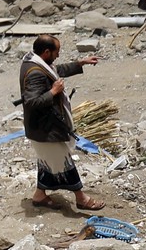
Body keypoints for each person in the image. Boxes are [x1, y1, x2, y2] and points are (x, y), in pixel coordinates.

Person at [21, 35, 105, 211]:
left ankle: (39, 195)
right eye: (56, 52)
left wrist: (80, 63)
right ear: (46, 52)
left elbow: (55, 70)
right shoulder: (35, 72)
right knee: (64, 162)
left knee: (47, 162)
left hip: (42, 128)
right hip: (45, 129)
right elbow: (31, 102)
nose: (58, 55)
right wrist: (53, 91)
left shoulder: (35, 62)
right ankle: (81, 198)